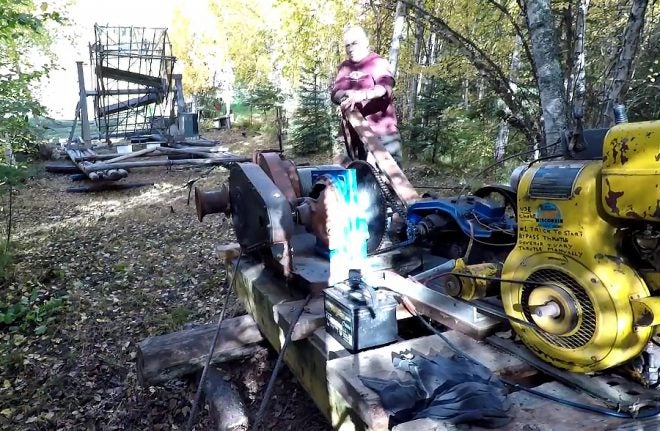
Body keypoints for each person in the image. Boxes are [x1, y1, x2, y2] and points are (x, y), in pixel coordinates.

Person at [331, 25, 402, 165]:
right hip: (354, 137)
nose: (350, 48)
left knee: (387, 182)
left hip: (383, 134)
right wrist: (346, 94)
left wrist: (361, 95)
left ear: (365, 42)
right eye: (347, 45)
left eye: (354, 43)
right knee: (356, 181)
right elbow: (335, 93)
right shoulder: (345, 67)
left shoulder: (378, 62)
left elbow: (384, 87)